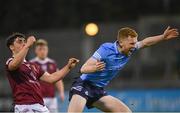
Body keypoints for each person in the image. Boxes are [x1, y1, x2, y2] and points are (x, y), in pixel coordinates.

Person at [68, 26, 179, 112]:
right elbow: (83, 69)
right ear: (121, 42)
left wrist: (162, 37)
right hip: (83, 85)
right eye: (132, 43)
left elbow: (145, 42)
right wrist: (94, 68)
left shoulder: (130, 48)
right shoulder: (106, 49)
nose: (134, 46)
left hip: (97, 90)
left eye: (135, 43)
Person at [5, 33, 79, 113]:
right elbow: (14, 64)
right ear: (11, 47)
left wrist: (68, 67)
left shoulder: (33, 65)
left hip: (40, 105)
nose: (23, 43)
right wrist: (27, 46)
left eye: (24, 41)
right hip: (25, 105)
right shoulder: (10, 61)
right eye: (19, 41)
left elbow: (52, 78)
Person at [30, 39, 64, 112]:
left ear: (47, 50)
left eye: (44, 49)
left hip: (52, 98)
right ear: (36, 51)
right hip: (38, 98)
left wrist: (61, 92)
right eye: (40, 49)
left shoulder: (52, 63)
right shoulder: (31, 64)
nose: (42, 51)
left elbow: (58, 79)